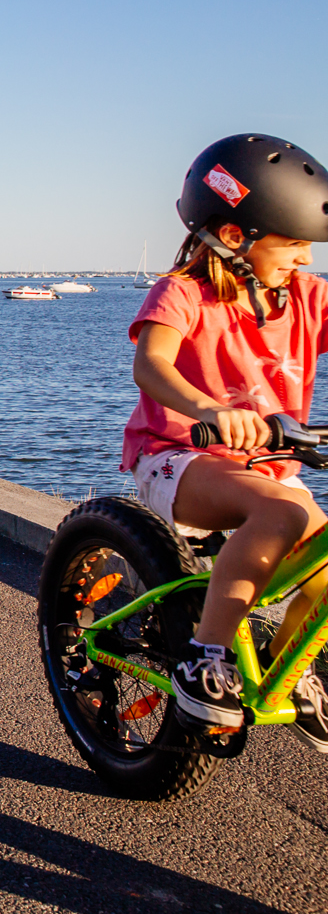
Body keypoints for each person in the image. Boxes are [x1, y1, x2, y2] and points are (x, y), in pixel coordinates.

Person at [124, 133, 328, 743]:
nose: (305, 261)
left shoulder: (307, 299)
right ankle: (203, 658)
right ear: (236, 236)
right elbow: (152, 364)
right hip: (179, 456)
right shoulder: (183, 293)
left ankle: (289, 672)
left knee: (323, 564)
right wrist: (207, 407)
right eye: (293, 246)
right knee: (281, 514)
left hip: (267, 464)